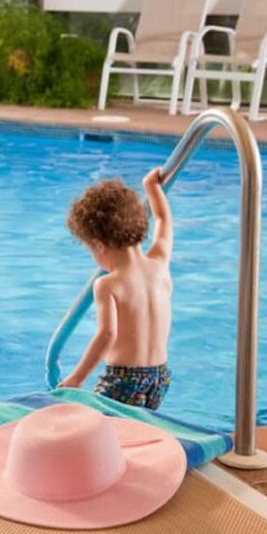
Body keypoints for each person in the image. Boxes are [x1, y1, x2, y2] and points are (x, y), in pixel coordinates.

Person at [57, 167, 174, 410]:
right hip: (159, 378)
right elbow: (163, 219)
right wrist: (152, 187)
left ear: (98, 245)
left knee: (97, 431)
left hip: (123, 380)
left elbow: (107, 335)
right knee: (136, 429)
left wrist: (76, 378)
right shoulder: (159, 263)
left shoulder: (108, 284)